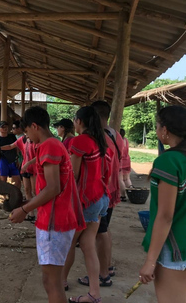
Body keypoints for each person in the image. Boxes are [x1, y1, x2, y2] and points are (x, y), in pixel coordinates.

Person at [9, 106, 85, 303]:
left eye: (26, 132)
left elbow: (52, 188)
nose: (27, 137)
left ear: (34, 126)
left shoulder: (49, 146)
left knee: (52, 283)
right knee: (50, 280)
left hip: (54, 221)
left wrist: (24, 209)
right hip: (54, 218)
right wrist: (31, 163)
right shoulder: (52, 144)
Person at [139, 105, 186, 302]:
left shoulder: (168, 161)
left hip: (175, 245)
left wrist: (150, 262)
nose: (157, 130)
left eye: (158, 126)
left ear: (165, 130)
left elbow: (165, 215)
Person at [62, 106, 112, 303]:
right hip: (100, 198)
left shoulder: (80, 141)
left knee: (68, 244)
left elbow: (72, 176)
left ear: (79, 121)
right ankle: (94, 293)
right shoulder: (101, 141)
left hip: (86, 201)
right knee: (87, 245)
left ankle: (61, 282)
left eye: (75, 119)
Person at [88, 100, 123, 286]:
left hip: (102, 190)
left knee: (99, 232)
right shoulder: (114, 134)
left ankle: (103, 275)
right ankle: (107, 267)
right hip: (112, 188)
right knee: (104, 230)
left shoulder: (99, 137)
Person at [1, 127, 37, 220]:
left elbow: (39, 156)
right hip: (25, 169)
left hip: (34, 169)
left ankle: (41, 213)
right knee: (27, 190)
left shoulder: (36, 140)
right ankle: (31, 214)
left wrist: (28, 163)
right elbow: (10, 146)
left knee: (35, 191)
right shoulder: (22, 140)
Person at [0, 121, 21, 189]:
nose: (5, 128)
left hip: (13, 161)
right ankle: (6, 196)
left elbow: (16, 147)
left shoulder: (12, 136)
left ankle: (15, 195)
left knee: (18, 181)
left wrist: (17, 158)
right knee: (3, 180)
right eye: (3, 127)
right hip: (4, 161)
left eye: (6, 127)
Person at [119, 128, 133, 202]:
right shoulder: (126, 140)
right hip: (127, 160)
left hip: (121, 161)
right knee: (127, 178)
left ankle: (123, 195)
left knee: (120, 179)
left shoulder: (119, 141)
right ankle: (132, 191)